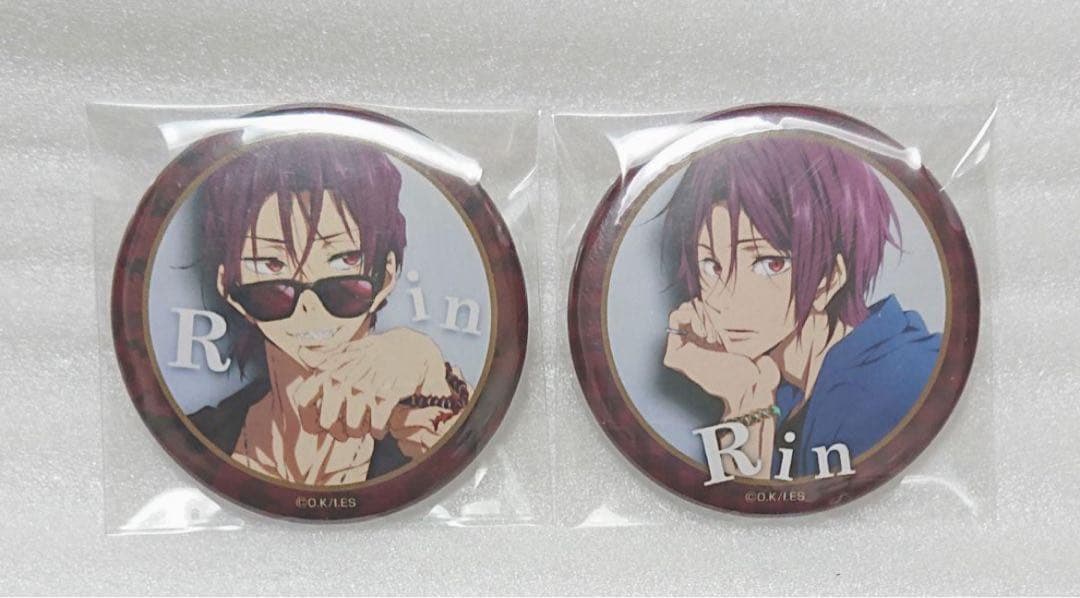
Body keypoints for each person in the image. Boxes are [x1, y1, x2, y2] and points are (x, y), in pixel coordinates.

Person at [188, 136, 467, 486]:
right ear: (229, 286)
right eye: (272, 266)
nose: (309, 305)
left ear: (386, 276)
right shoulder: (201, 438)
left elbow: (469, 440)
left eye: (343, 261)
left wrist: (425, 362)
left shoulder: (419, 426)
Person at [661, 136, 940, 479]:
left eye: (769, 264)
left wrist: (747, 403)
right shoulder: (783, 385)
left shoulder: (893, 388)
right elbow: (737, 508)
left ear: (829, 278)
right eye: (712, 265)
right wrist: (745, 394)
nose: (723, 300)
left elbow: (755, 515)